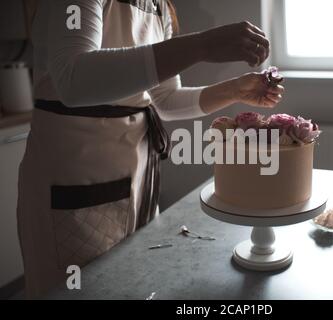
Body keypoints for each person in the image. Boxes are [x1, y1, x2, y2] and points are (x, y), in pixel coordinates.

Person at [18, 0, 284, 298]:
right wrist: (202, 45)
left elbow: (165, 100)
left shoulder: (159, 7)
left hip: (138, 171)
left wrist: (234, 90)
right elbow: (73, 81)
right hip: (75, 175)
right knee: (77, 291)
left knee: (126, 280)